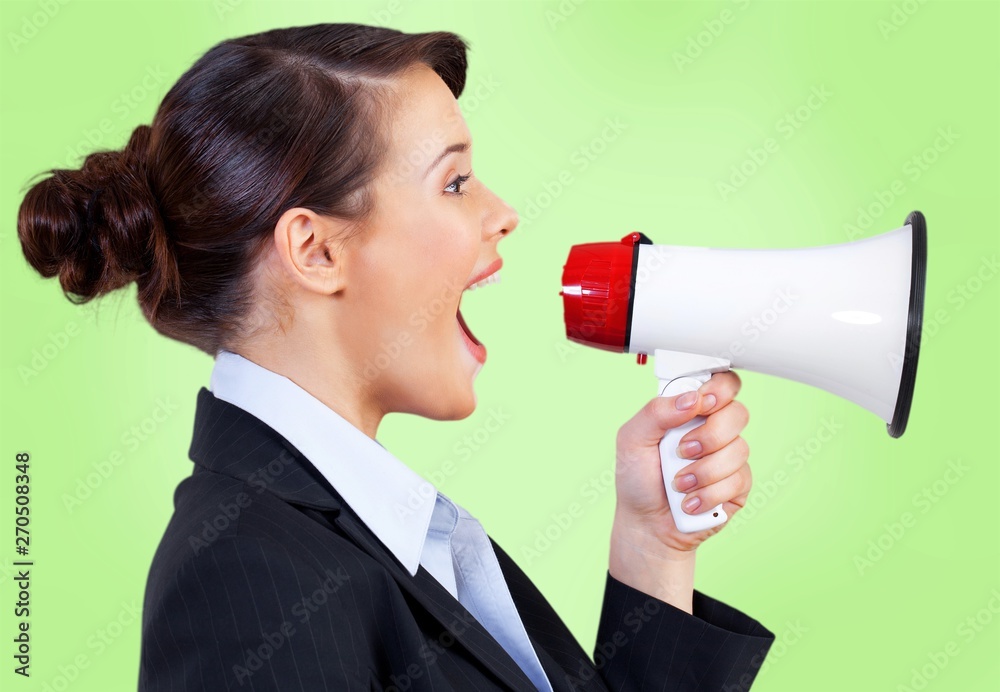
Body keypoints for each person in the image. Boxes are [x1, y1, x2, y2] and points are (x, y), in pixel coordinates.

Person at [16, 23, 774, 691]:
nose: (503, 214)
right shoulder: (244, 577)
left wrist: (653, 548)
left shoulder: (383, 539)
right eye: (455, 182)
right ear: (316, 250)